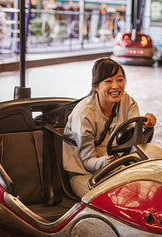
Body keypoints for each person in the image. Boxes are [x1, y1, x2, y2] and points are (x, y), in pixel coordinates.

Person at [63, 57, 156, 197]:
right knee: (114, 199)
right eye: (108, 81)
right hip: (85, 174)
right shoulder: (84, 114)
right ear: (95, 86)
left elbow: (133, 139)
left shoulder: (127, 102)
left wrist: (146, 124)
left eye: (120, 79)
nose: (116, 86)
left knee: (149, 191)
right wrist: (106, 160)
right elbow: (88, 162)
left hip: (117, 167)